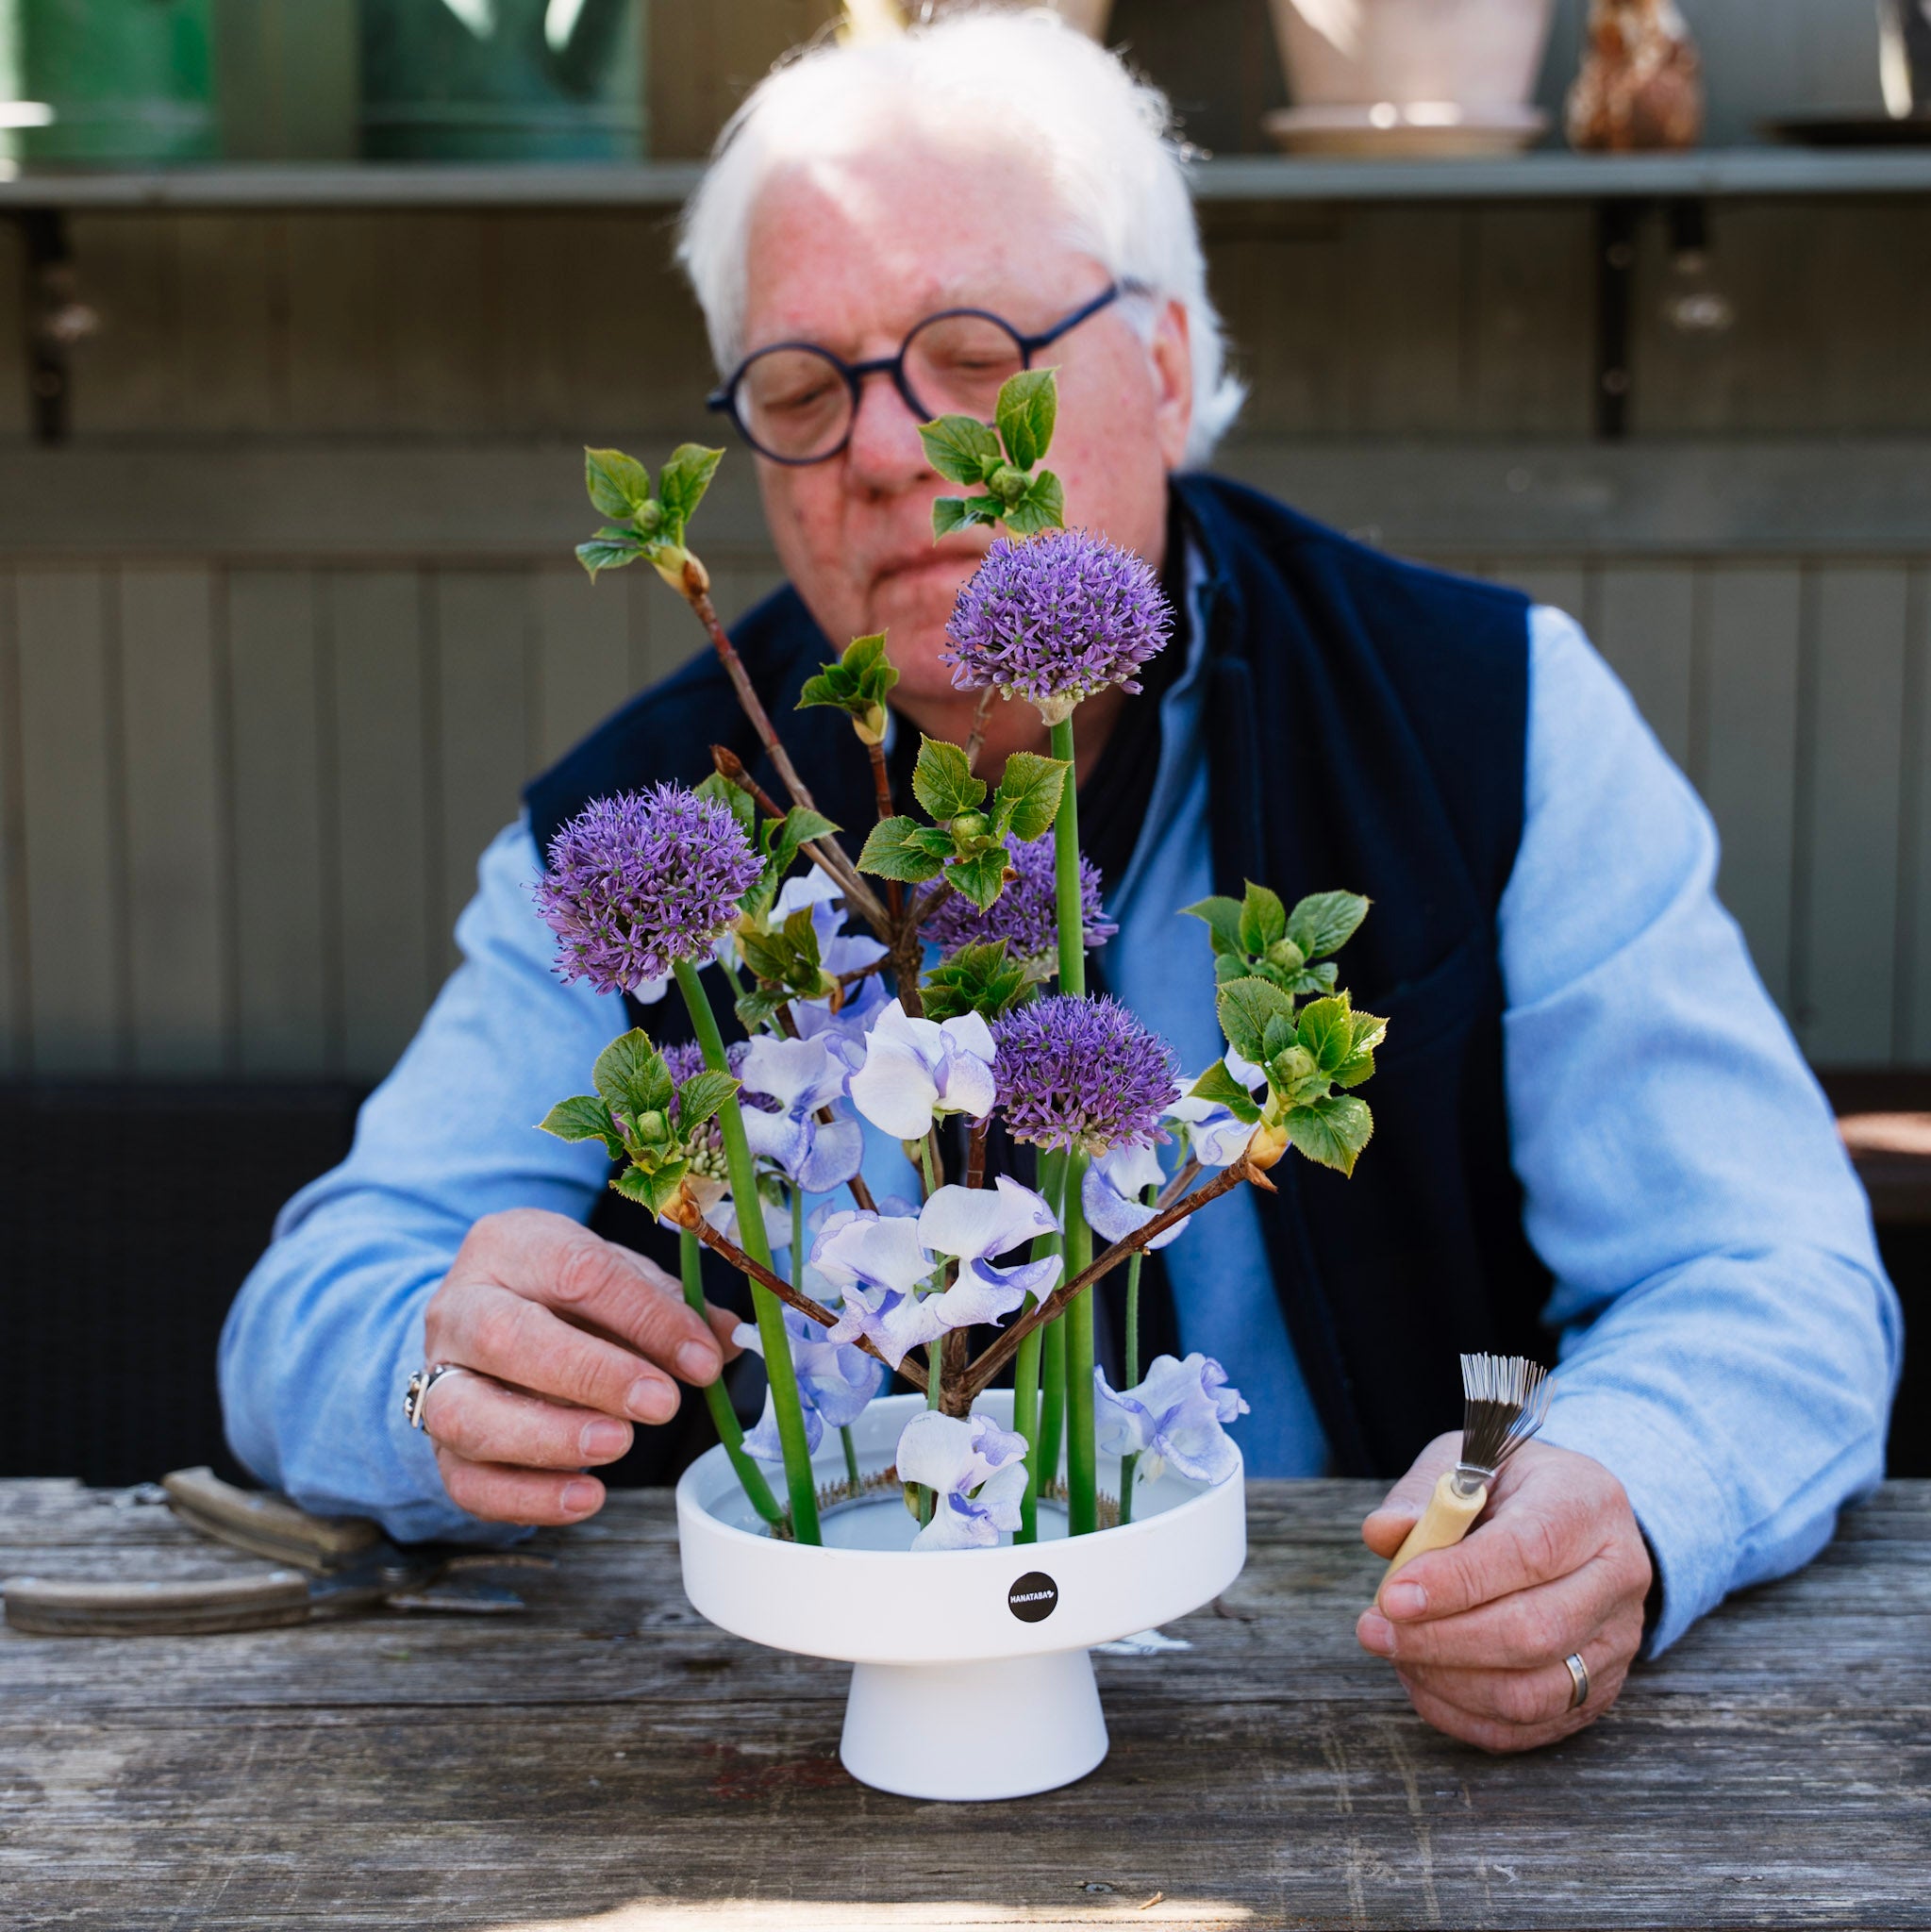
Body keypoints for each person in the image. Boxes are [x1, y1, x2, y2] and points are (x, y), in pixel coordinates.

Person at [220, 11, 1899, 1755]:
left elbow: (1764, 1264)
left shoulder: (1488, 717)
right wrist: (429, 1374)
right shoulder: (641, 832)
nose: (887, 451)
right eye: (800, 391)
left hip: (1344, 1710)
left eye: (973, 354)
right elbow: (317, 1305)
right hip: (801, 1736)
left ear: (1166, 364)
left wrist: (1618, 1493)